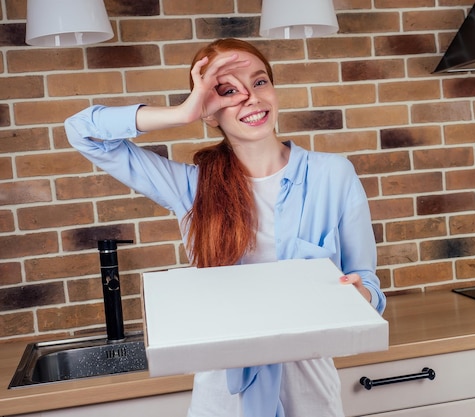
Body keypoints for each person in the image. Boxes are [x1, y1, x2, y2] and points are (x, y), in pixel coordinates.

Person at [65, 38, 386, 417]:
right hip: (223, 395)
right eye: (228, 91)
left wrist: (360, 295)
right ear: (210, 112)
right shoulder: (192, 188)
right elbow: (82, 131)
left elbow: (369, 284)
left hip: (310, 388)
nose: (250, 98)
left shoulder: (333, 174)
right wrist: (183, 112)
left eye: (260, 82)